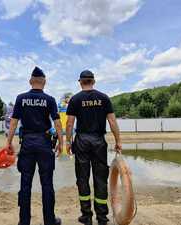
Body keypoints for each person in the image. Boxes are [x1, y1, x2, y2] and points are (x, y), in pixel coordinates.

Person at [7, 66, 63, 225]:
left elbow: (13, 122)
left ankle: (24, 222)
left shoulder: (20, 98)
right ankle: (49, 221)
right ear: (44, 82)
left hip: (28, 143)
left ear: (31, 81)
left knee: (25, 184)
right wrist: (61, 143)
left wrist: (9, 142)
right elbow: (57, 123)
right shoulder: (50, 100)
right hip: (45, 144)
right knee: (47, 184)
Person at [66, 70, 122, 225]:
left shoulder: (75, 99)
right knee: (100, 178)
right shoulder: (103, 98)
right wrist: (118, 141)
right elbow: (112, 121)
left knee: (82, 178)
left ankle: (86, 216)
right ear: (93, 81)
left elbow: (70, 123)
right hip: (98, 141)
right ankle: (102, 217)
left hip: (82, 140)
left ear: (80, 82)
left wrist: (68, 142)